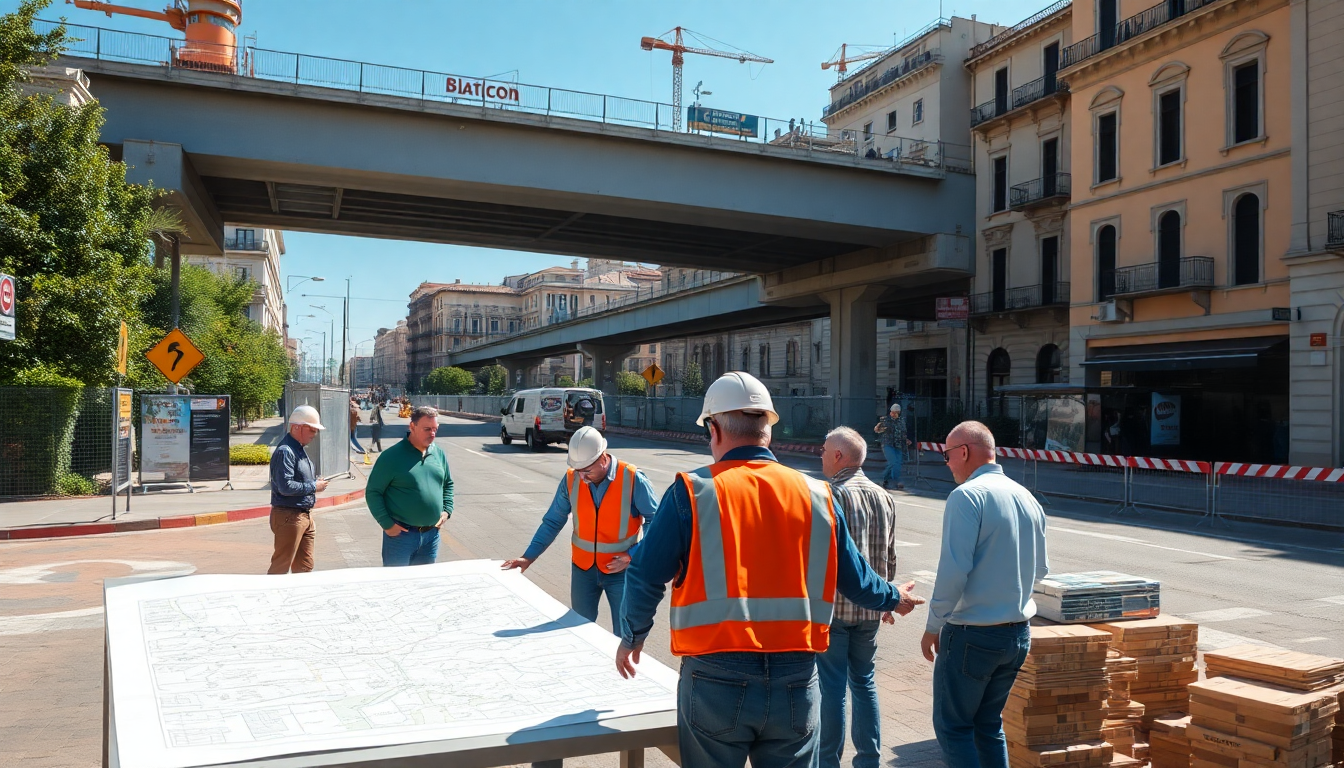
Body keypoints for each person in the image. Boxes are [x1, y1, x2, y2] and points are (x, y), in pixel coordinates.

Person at [617, 371, 924, 768]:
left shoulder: (693, 491)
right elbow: (857, 580)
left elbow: (644, 574)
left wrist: (633, 636)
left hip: (715, 676)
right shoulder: (818, 494)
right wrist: (894, 596)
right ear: (768, 432)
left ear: (714, 428)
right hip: (796, 679)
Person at [922, 421, 1049, 768]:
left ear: (963, 452)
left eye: (947, 455)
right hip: (1018, 633)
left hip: (973, 635)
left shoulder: (967, 496)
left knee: (954, 727)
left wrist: (933, 625)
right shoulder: (1025, 495)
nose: (946, 463)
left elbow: (953, 572)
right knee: (989, 724)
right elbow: (1041, 570)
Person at [817, 427, 914, 768]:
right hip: (871, 610)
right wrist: (887, 601)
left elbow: (826, 560)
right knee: (864, 683)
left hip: (835, 610)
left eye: (825, 449)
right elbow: (889, 557)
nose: (821, 454)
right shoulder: (883, 495)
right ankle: (869, 760)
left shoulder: (832, 495)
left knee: (831, 689)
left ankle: (827, 761)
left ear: (839, 456)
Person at [501, 426, 657, 632]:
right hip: (583, 570)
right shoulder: (571, 479)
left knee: (624, 634)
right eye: (579, 470)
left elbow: (656, 523)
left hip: (622, 572)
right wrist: (528, 557)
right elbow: (553, 521)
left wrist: (632, 556)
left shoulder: (632, 478)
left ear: (603, 458)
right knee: (580, 630)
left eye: (587, 471)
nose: (582, 477)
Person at [365, 406, 454, 567]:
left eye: (435, 429)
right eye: (427, 429)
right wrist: (387, 524)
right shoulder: (391, 457)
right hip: (401, 537)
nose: (432, 434)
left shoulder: (438, 453)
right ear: (412, 426)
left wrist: (447, 510)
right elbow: (373, 492)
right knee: (398, 585)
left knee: (424, 585)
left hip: (431, 536)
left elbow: (447, 483)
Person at [268, 405, 330, 574]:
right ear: (297, 427)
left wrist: (313, 482)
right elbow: (285, 487)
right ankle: (271, 595)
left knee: (305, 565)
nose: (314, 435)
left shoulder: (298, 449)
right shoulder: (286, 451)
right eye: (311, 430)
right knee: (281, 565)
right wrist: (313, 486)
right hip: (289, 516)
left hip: (302, 514)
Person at [873, 403, 910, 490]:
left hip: (898, 444)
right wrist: (878, 428)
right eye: (893, 412)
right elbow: (877, 430)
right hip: (888, 444)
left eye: (896, 412)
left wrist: (906, 440)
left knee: (898, 463)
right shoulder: (885, 420)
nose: (894, 414)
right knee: (893, 462)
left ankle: (890, 480)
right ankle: (888, 479)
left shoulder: (901, 421)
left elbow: (903, 433)